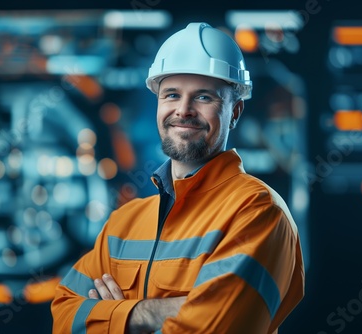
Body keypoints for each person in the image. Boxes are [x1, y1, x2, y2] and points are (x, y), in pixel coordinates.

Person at [51, 22, 305, 334]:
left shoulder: (258, 214)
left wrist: (112, 314)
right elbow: (64, 316)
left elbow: (212, 330)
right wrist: (148, 313)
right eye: (171, 94)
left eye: (203, 97)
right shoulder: (123, 224)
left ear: (235, 112)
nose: (183, 110)